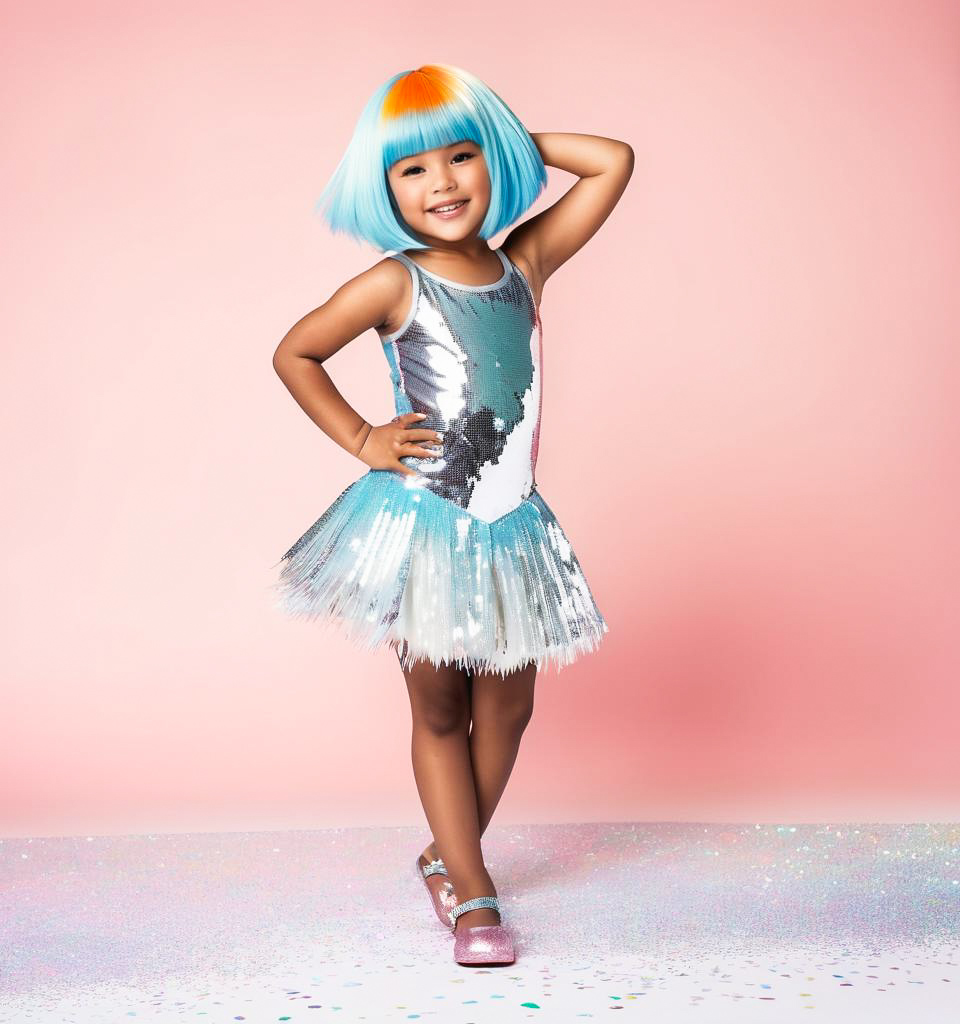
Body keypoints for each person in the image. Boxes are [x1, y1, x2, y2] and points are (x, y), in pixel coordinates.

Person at [270, 63, 634, 965]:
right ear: (382, 188)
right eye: (413, 169)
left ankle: (444, 852)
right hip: (425, 522)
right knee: (439, 705)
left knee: (508, 706)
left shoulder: (525, 263)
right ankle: (473, 894)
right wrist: (361, 436)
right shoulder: (394, 284)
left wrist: (517, 144)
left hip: (511, 522)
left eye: (463, 158)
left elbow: (613, 162)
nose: (444, 184)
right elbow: (296, 351)